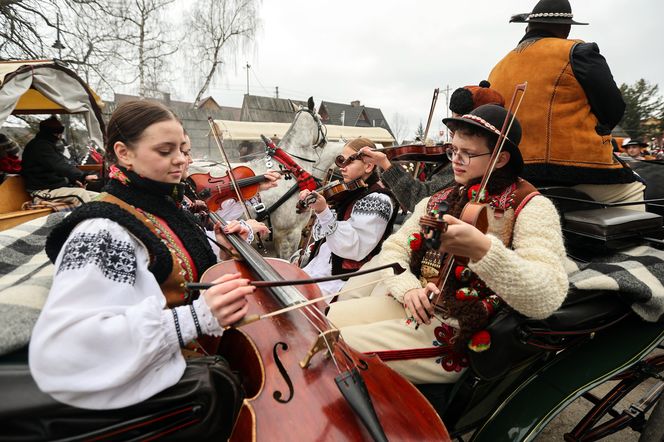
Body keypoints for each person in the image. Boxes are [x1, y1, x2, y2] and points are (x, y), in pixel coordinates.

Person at [29, 101, 254, 410]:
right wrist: (194, 318)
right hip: (174, 394)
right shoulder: (103, 230)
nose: (181, 161)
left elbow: (180, 271)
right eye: (165, 151)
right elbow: (66, 346)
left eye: (184, 150)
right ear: (124, 153)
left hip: (207, 365)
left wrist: (224, 250)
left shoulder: (161, 203)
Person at [327, 105, 567, 385]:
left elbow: (547, 296)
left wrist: (484, 251)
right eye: (453, 150)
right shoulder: (438, 199)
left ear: (500, 159)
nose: (456, 160)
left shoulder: (532, 206)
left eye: (468, 153)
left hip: (459, 331)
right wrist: (408, 289)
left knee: (333, 350)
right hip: (418, 307)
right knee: (324, 322)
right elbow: (394, 249)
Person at [487, 0, 645, 207]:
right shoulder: (578, 51)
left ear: (528, 27)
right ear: (566, 27)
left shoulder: (498, 67)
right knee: (634, 189)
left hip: (513, 170)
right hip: (575, 169)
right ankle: (636, 241)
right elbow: (613, 109)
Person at [360, 81, 504, 212]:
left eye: (462, 126)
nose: (452, 131)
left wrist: (387, 165)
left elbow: (420, 199)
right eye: (453, 125)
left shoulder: (471, 169)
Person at [297, 137, 398, 297]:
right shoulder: (350, 191)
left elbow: (353, 247)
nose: (342, 168)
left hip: (340, 280)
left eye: (349, 162)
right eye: (341, 160)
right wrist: (322, 208)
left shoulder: (378, 200)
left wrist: (324, 212)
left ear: (369, 166)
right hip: (321, 266)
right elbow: (323, 235)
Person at [20, 115, 99, 205]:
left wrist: (73, 180)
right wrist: (83, 176)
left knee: (99, 197)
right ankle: (91, 217)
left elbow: (54, 169)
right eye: (56, 133)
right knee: (80, 194)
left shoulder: (47, 145)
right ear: (50, 133)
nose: (59, 136)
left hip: (55, 188)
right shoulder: (40, 146)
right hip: (42, 191)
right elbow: (59, 166)